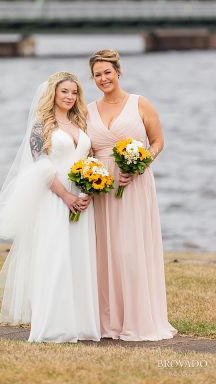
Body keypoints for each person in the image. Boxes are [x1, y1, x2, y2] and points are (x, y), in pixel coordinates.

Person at [0, 71, 100, 343]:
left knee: (78, 259)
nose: (70, 97)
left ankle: (83, 325)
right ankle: (54, 326)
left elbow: (88, 160)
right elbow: (41, 164)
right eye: (65, 91)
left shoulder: (81, 122)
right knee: (56, 258)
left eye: (74, 92)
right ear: (53, 93)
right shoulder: (41, 126)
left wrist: (88, 191)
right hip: (54, 199)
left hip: (82, 202)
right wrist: (66, 196)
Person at [85, 49, 176, 341]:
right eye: (97, 75)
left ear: (118, 72)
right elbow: (86, 150)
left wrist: (139, 164)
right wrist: (90, 174)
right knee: (105, 253)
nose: (103, 79)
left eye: (107, 72)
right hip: (102, 189)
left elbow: (158, 141)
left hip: (134, 185)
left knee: (130, 251)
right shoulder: (87, 110)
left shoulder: (140, 104)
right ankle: (108, 322)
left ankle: (139, 320)